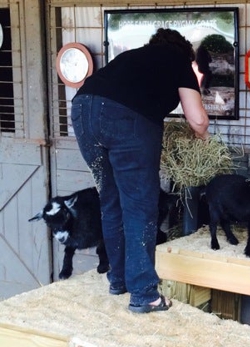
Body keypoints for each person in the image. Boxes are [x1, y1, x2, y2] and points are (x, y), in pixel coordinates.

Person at [70, 28, 210, 313]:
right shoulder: (178, 61)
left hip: (83, 111)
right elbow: (197, 120)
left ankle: (118, 279)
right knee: (139, 206)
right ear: (185, 53)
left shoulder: (132, 57)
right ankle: (144, 294)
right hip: (126, 120)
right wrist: (202, 137)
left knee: (111, 201)